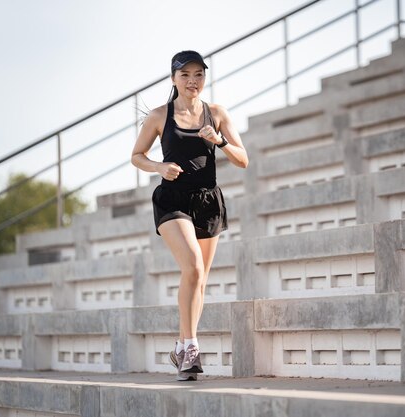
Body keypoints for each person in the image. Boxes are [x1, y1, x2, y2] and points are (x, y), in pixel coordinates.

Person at [131, 50, 248, 381]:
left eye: (199, 74)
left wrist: (220, 140)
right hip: (172, 198)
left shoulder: (217, 113)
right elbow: (137, 156)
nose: (192, 81)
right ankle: (192, 347)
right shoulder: (158, 116)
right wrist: (158, 167)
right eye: (185, 75)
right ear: (173, 78)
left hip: (209, 200)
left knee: (199, 279)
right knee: (193, 267)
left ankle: (182, 348)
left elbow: (243, 160)